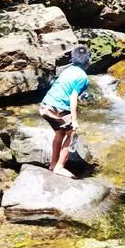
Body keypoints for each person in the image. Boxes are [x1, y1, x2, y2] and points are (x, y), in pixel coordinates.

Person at [39, 45, 91, 177]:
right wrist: (74, 121)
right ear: (88, 61)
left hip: (45, 105)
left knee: (60, 133)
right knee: (73, 134)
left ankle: (52, 164)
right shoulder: (83, 78)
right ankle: (59, 167)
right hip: (58, 108)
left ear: (72, 59)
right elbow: (73, 98)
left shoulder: (68, 70)